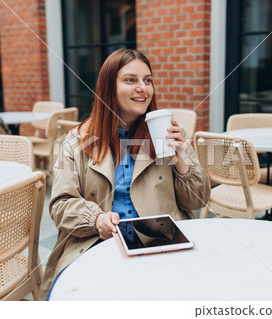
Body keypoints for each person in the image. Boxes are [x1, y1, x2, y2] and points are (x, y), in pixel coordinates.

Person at [39, 49, 211, 300]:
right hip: (98, 242)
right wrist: (96, 219)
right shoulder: (77, 141)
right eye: (131, 80)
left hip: (161, 241)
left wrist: (181, 160)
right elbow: (60, 205)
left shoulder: (170, 133)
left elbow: (196, 201)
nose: (143, 87)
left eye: (148, 80)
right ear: (109, 87)